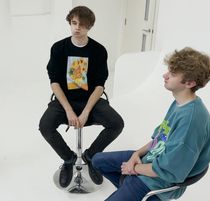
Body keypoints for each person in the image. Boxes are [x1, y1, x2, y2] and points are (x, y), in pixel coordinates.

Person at [92, 47, 210, 201]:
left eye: (172, 74)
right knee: (97, 160)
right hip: (151, 162)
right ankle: (129, 190)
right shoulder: (179, 104)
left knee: (125, 177)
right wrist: (136, 155)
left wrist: (134, 168)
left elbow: (169, 171)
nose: (165, 75)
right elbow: (159, 139)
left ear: (190, 83)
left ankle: (138, 192)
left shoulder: (191, 121)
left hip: (158, 182)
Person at [39, 6, 124, 188]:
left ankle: (90, 157)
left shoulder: (98, 50)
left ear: (90, 27)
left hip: (90, 101)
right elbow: (54, 82)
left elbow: (100, 85)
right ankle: (69, 160)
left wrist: (86, 112)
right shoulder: (59, 48)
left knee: (117, 123)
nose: (77, 28)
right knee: (45, 126)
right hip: (64, 101)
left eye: (82, 24)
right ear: (70, 23)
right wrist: (68, 109)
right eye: (74, 23)